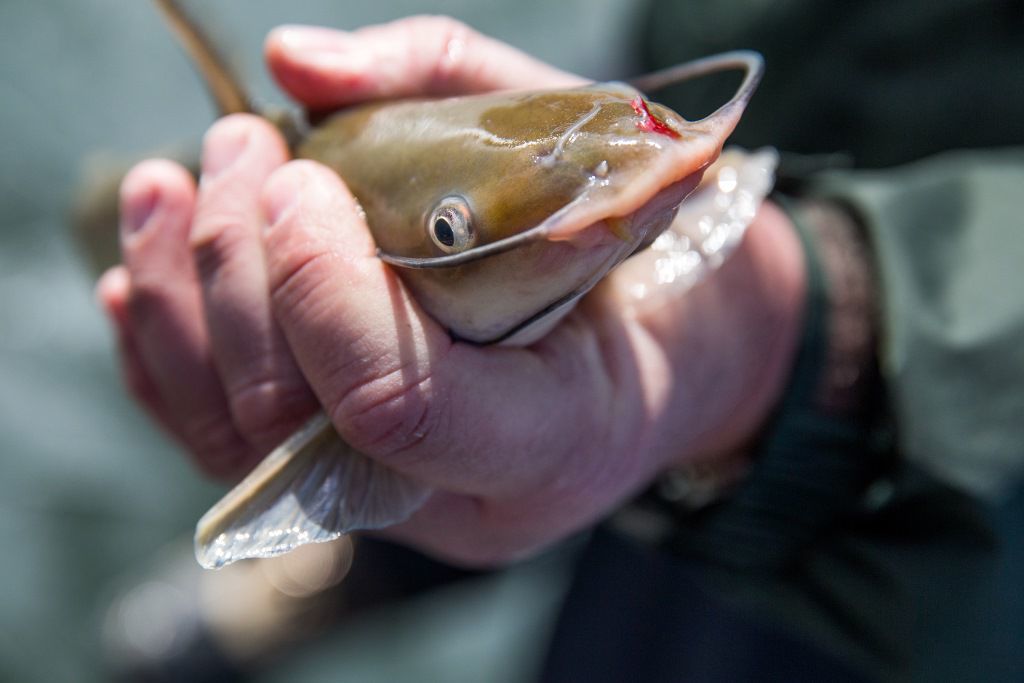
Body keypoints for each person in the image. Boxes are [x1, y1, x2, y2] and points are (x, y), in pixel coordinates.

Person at [97, 8, 1024, 681]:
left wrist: (804, 334)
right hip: (714, 171)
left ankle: (371, 513)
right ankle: (356, 550)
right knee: (416, 398)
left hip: (925, 505)